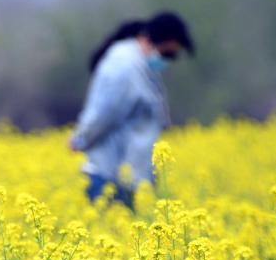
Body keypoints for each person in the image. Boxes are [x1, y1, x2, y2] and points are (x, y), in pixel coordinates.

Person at [70, 12, 194, 209]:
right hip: (110, 174)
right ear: (148, 40)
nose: (167, 61)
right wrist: (81, 140)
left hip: (130, 176)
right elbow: (105, 113)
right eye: (167, 54)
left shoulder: (141, 67)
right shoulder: (124, 65)